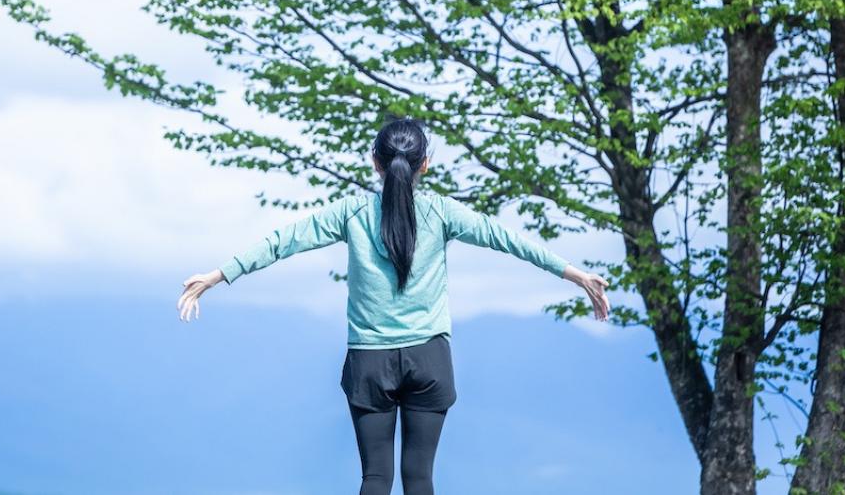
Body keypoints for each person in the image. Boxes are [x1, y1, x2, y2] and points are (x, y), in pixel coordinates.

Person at [175, 116, 611, 495]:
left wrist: (219, 274)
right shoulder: (442, 212)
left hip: (370, 362)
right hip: (429, 358)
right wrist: (575, 274)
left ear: (375, 162)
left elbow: (282, 241)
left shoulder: (351, 213)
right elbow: (508, 239)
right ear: (425, 164)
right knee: (420, 479)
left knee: (375, 478)